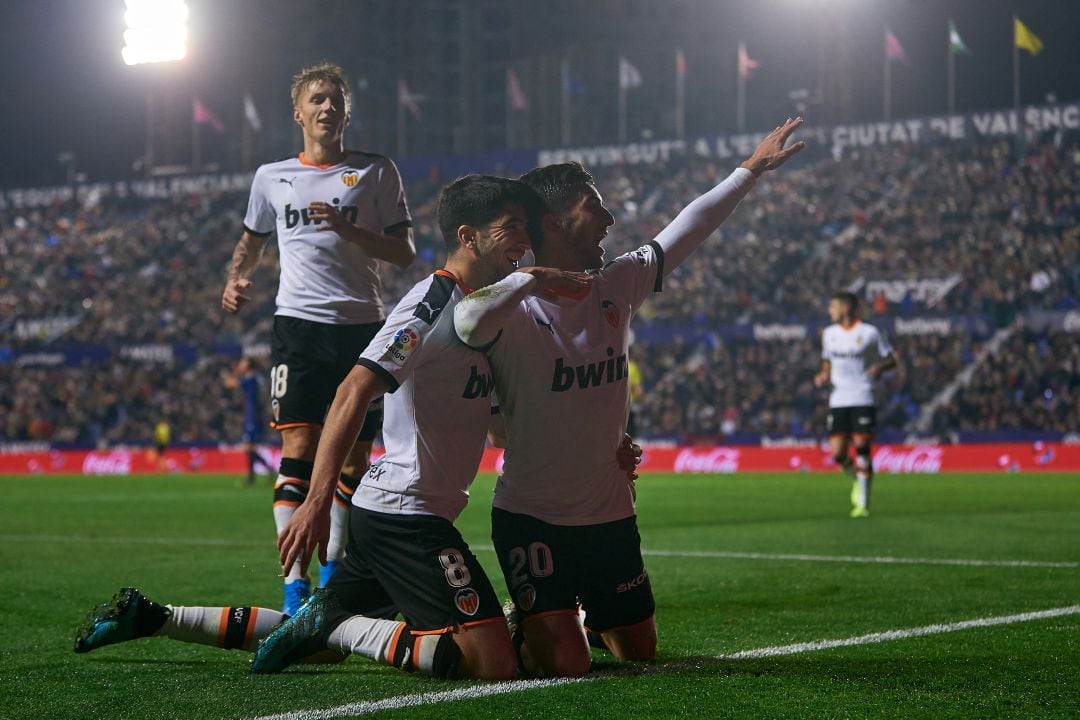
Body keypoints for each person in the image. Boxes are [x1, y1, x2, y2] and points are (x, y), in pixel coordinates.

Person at [453, 118, 805, 677]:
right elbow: (466, 324)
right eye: (595, 206)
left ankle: (569, 613)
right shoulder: (510, 307)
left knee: (637, 651)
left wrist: (749, 171)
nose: (611, 219)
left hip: (609, 512)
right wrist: (532, 280)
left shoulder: (615, 284)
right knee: (567, 664)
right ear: (554, 221)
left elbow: (686, 228)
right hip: (532, 516)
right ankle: (527, 615)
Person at [220, 62, 416, 614]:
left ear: (347, 111)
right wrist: (236, 279)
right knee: (300, 450)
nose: (327, 107)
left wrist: (348, 229)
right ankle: (295, 584)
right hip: (299, 327)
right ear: (298, 113)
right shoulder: (271, 177)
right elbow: (252, 242)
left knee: (353, 462)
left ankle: (333, 575)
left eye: (335, 100)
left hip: (362, 327)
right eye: (317, 100)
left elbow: (404, 253)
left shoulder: (377, 172)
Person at [813, 291, 900, 518]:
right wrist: (823, 374)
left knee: (862, 447)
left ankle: (863, 503)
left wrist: (879, 368)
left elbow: (892, 358)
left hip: (863, 395)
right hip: (839, 398)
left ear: (845, 308)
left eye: (833, 307)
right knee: (838, 453)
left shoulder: (870, 332)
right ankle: (858, 479)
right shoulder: (829, 334)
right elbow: (827, 361)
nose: (829, 311)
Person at [223, 356, 273, 485]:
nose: (241, 364)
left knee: (248, 447)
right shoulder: (256, 378)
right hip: (254, 415)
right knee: (249, 447)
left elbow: (229, 383)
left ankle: (265, 470)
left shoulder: (250, 379)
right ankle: (253, 476)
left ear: (248, 365)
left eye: (242, 362)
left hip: (253, 416)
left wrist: (236, 371)